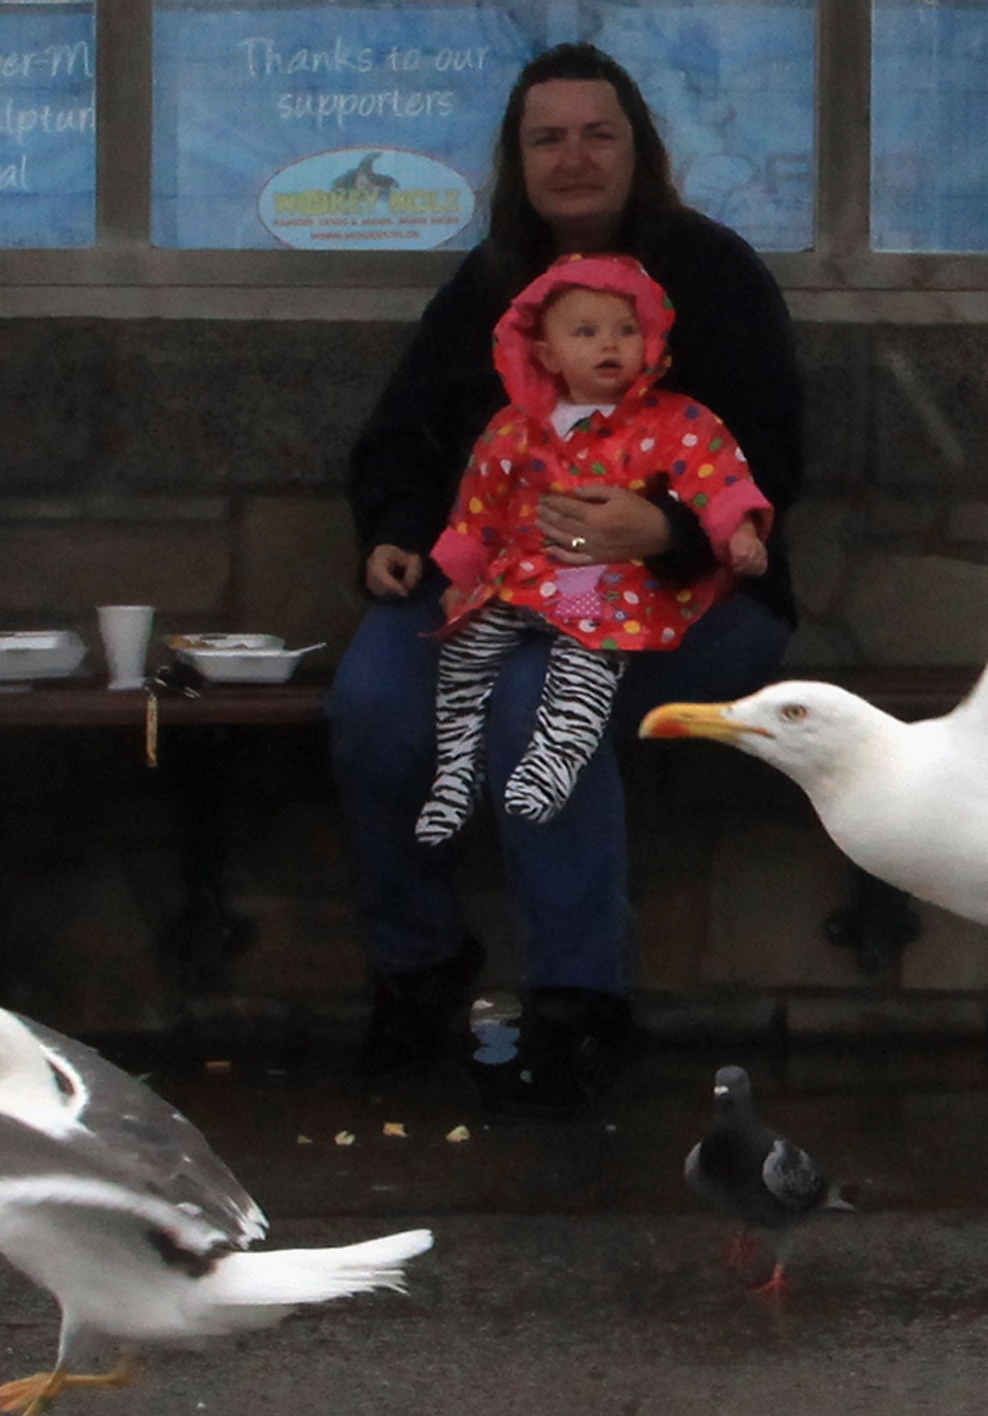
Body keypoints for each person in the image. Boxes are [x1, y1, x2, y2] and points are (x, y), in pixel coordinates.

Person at [334, 43, 805, 1116]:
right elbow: (402, 434)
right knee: (373, 704)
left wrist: (668, 526)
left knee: (537, 702)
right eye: (548, 138)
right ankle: (417, 965)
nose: (574, 157)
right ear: (517, 160)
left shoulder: (714, 275)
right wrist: (397, 533)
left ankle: (579, 1002)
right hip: (493, 579)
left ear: (639, 149)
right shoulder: (486, 286)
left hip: (696, 595)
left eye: (599, 134)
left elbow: (773, 455)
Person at [416, 254, 769, 846]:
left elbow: (718, 480)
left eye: (626, 331)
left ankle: (557, 757)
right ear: (547, 354)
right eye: (586, 332)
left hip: (604, 581)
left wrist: (739, 532)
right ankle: (457, 771)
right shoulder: (515, 427)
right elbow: (480, 504)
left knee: (585, 658)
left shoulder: (673, 421)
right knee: (463, 653)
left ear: (650, 341)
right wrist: (461, 573)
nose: (610, 344)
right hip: (519, 579)